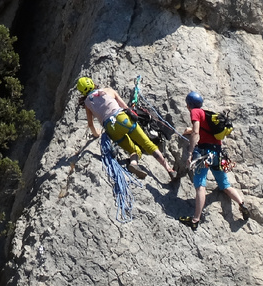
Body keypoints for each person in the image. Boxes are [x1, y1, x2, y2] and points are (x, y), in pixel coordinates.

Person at [76, 77, 175, 179]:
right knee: (148, 144)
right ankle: (169, 169)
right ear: (92, 83)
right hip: (122, 119)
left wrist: (96, 134)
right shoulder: (108, 90)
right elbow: (125, 107)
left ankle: (134, 163)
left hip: (111, 129)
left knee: (134, 150)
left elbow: (91, 124)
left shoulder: (88, 103)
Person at [179, 90, 249, 230]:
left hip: (205, 153)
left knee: (200, 185)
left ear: (189, 104)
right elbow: (202, 130)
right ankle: (242, 204)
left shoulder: (195, 112)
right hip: (217, 154)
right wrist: (190, 130)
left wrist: (191, 152)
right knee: (224, 185)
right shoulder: (206, 114)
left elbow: (196, 131)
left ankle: (195, 219)